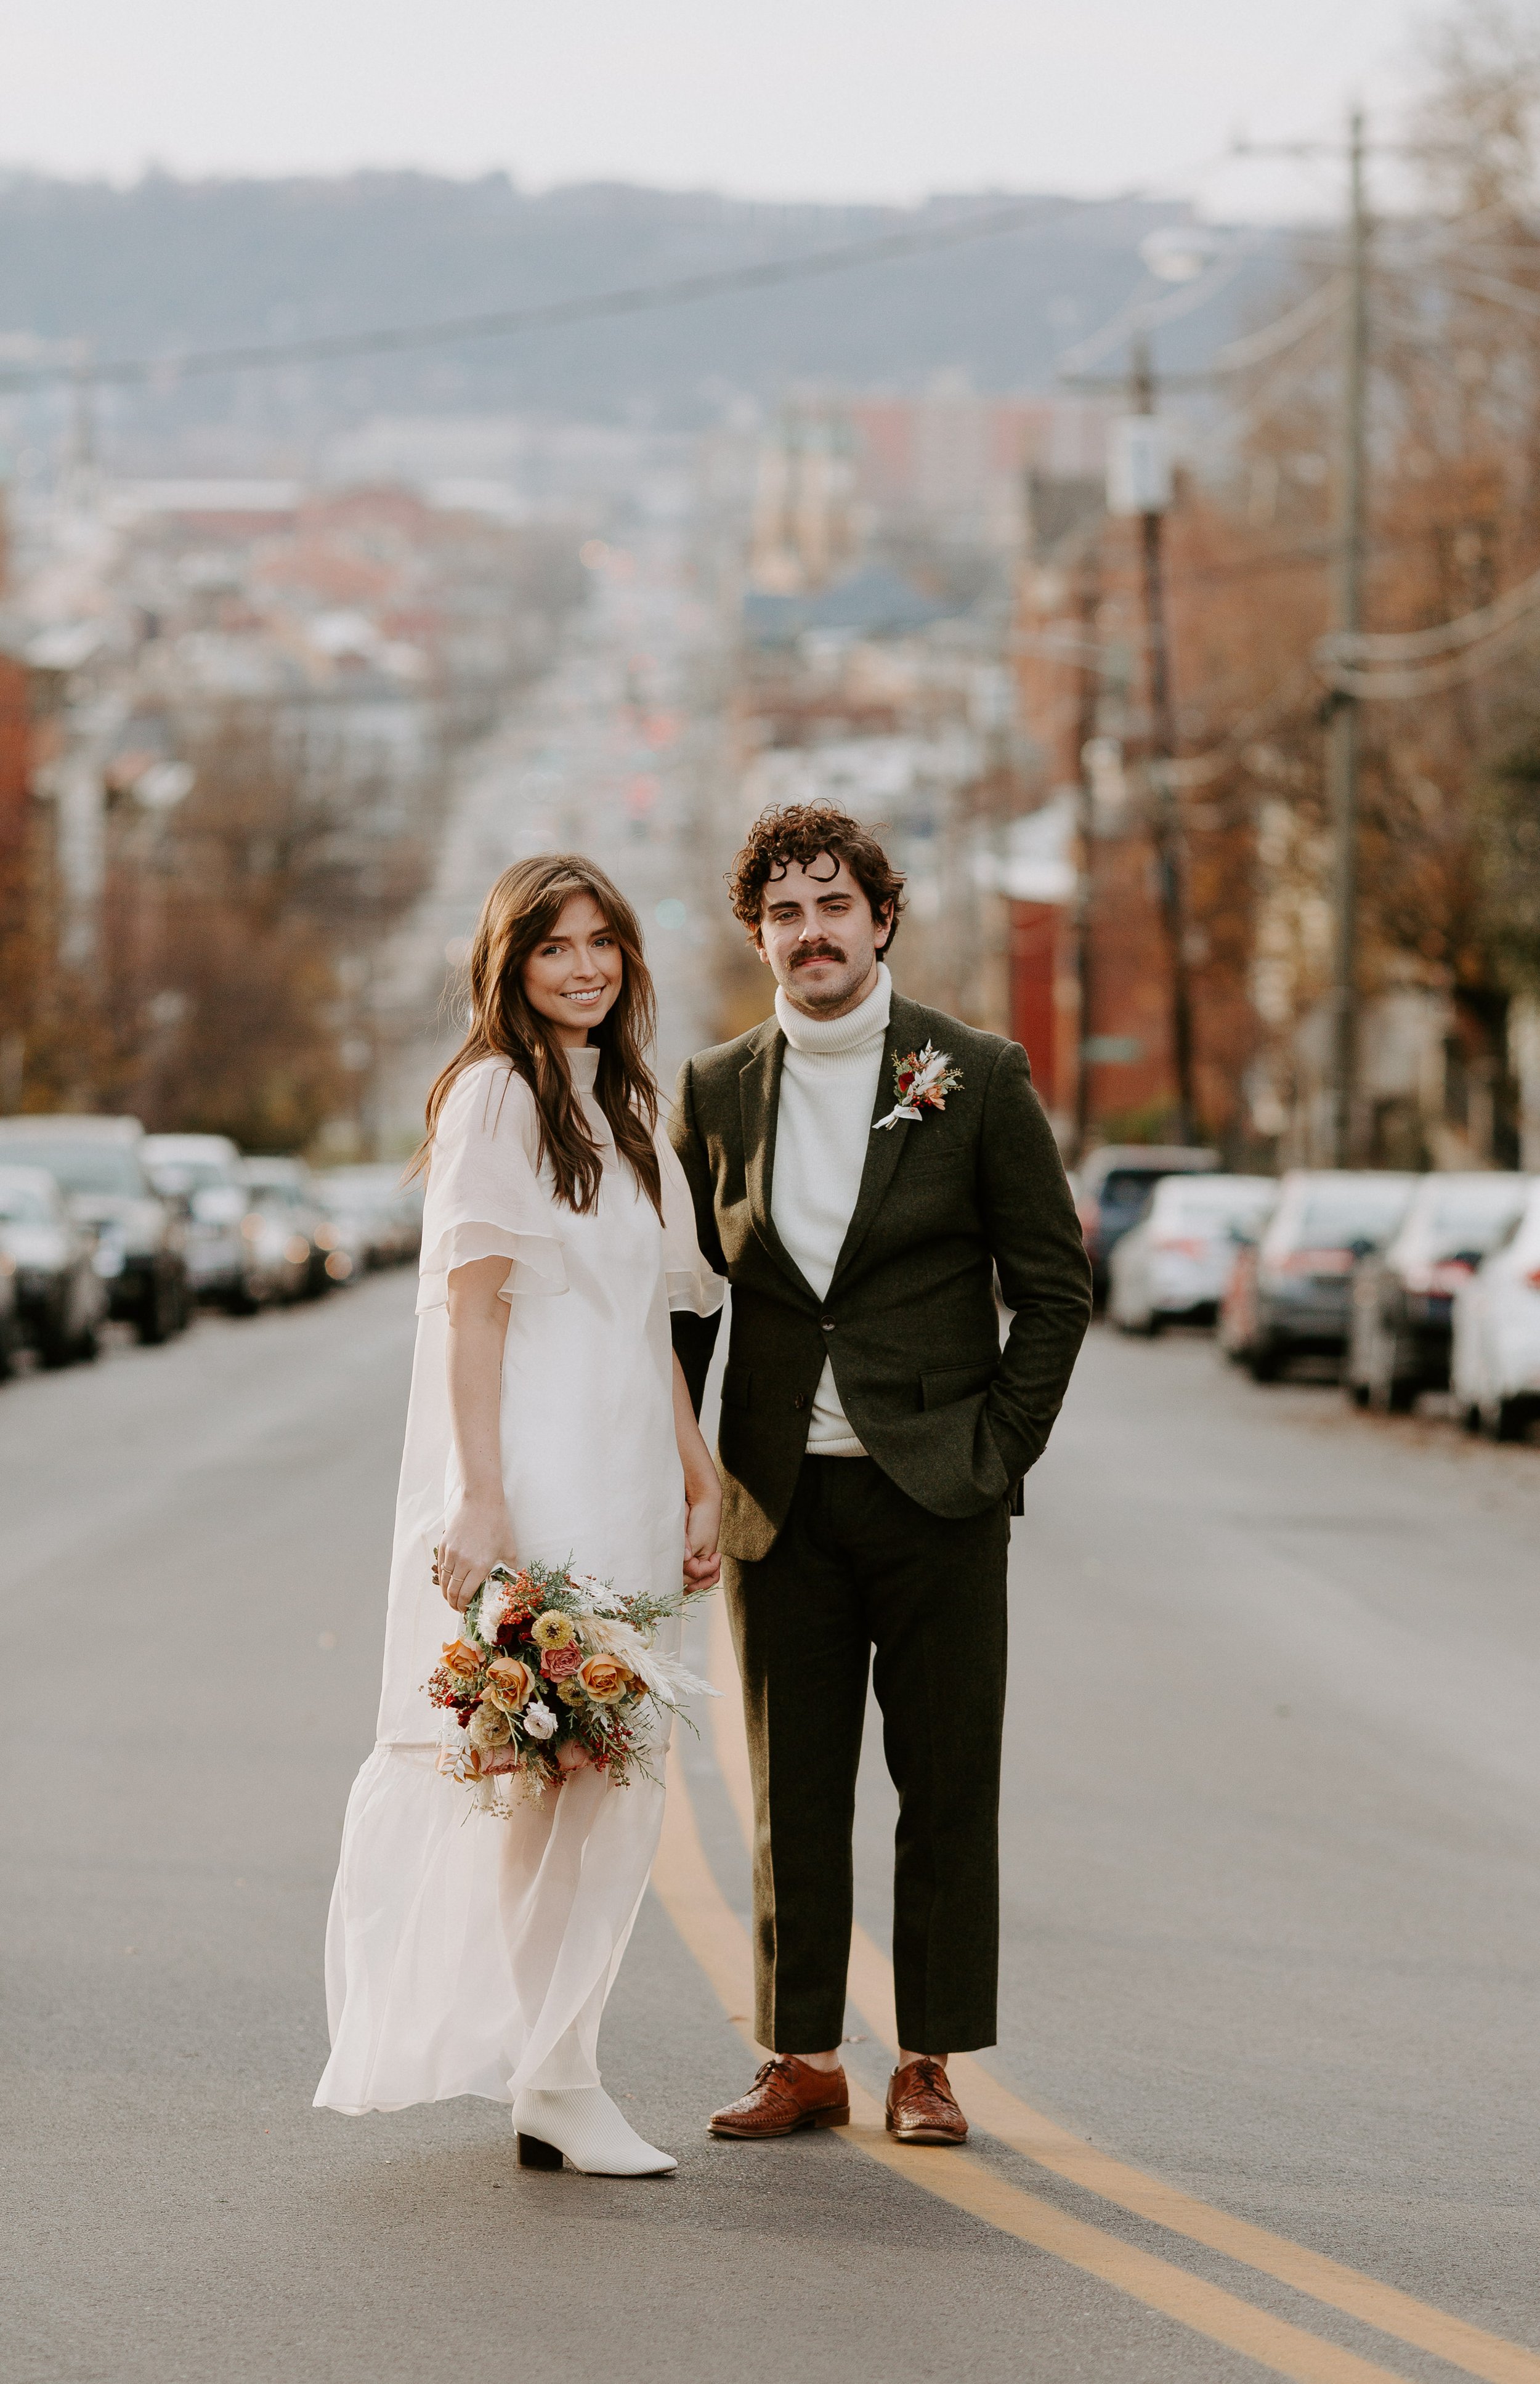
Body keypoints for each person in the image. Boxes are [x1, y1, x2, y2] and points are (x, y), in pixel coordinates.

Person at [670, 803, 1090, 2148]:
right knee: (791, 1789)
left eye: (831, 905)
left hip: (937, 1497)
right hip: (778, 1500)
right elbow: (687, 1308)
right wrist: (682, 1475)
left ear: (879, 918)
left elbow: (1052, 1290)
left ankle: (926, 2061)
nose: (811, 932)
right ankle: (800, 2056)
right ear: (759, 937)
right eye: (783, 913)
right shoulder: (717, 1089)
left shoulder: (975, 1074)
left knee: (943, 1783)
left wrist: (994, 1450)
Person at [315, 854, 724, 2176]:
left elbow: (644, 1323)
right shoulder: (495, 1099)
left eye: (603, 942)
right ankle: (555, 2073)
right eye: (555, 948)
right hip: (539, 1481)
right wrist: (479, 1495)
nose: (584, 967)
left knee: (612, 1776)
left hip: (624, 1475)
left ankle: (554, 2066)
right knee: (558, 1769)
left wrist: (694, 1465)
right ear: (512, 964)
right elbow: (471, 1314)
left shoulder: (625, 1103)